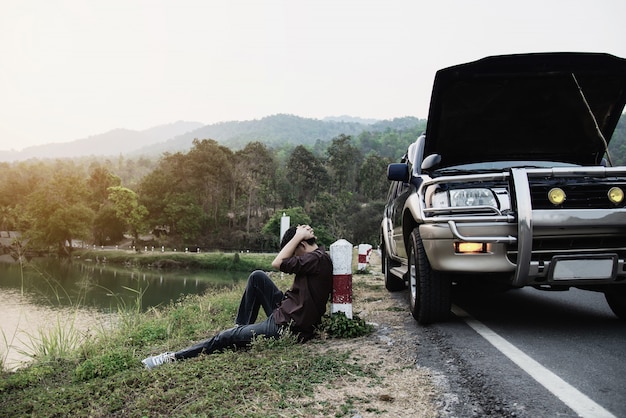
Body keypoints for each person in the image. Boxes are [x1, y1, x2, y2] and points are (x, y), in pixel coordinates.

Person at [142, 224, 333, 369]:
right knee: (257, 276)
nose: (294, 256)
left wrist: (298, 235)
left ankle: (170, 357)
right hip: (288, 312)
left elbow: (278, 262)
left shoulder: (314, 259)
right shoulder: (319, 258)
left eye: (294, 249)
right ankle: (240, 330)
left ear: (300, 244)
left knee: (222, 337)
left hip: (286, 326)